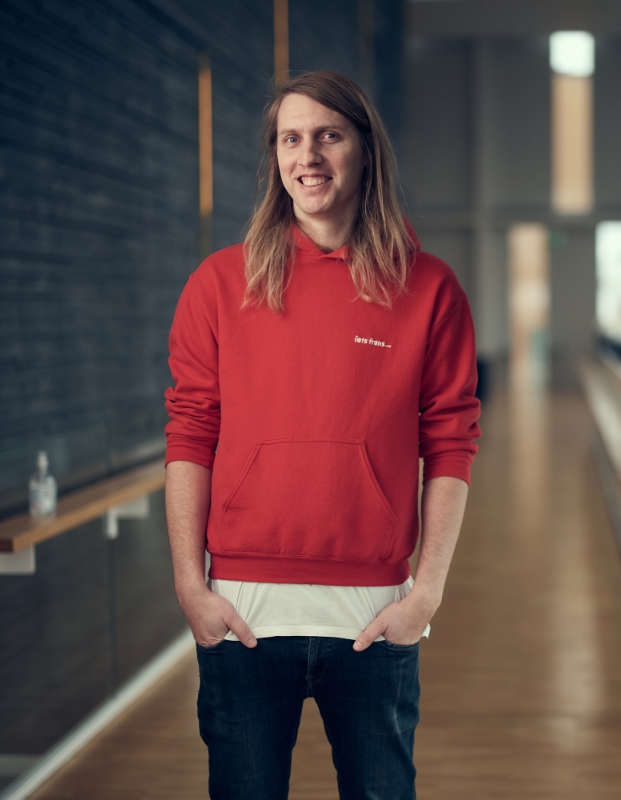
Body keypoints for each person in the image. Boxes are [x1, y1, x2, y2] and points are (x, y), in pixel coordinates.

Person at [164, 70, 481, 800]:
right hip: (243, 612)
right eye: (291, 138)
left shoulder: (428, 289)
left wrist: (425, 594)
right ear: (275, 158)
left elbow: (452, 442)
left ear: (366, 150)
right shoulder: (218, 284)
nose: (308, 155)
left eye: (328, 135)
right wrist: (190, 583)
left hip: (373, 616)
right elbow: (190, 434)